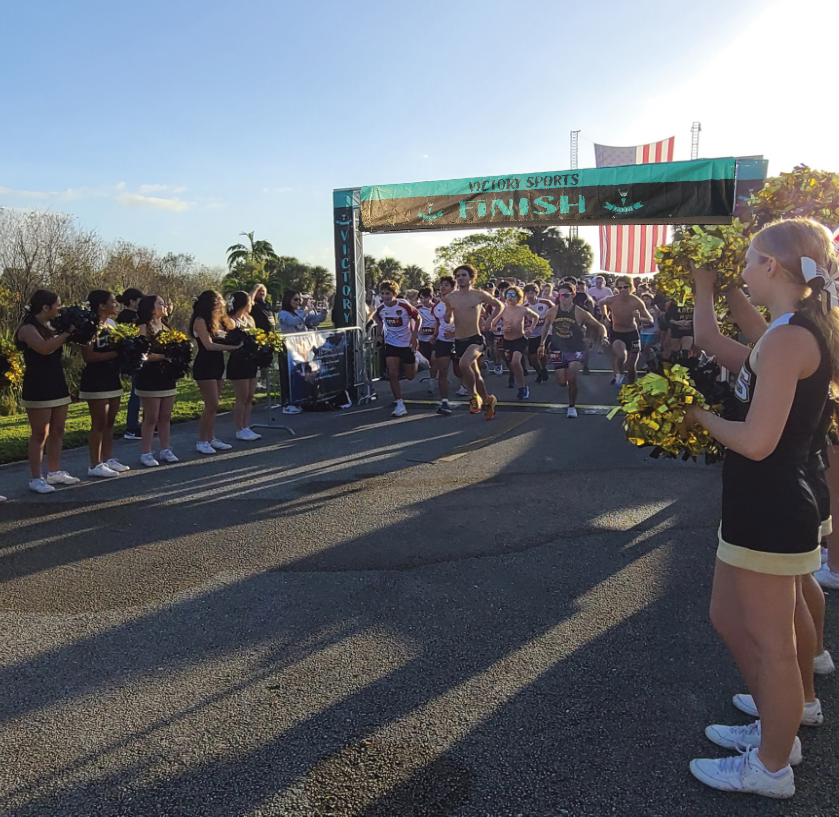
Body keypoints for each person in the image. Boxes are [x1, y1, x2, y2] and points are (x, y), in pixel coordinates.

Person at [685, 218, 838, 798]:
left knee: (774, 644)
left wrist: (691, 416)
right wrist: (707, 288)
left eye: (748, 260)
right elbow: (718, 347)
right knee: (728, 616)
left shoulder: (791, 336)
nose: (743, 269)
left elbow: (755, 441)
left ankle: (772, 766)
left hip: (773, 504)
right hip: (757, 500)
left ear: (771, 266)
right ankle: (779, 731)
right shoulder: (786, 331)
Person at [15, 289, 80, 493]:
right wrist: (66, 333)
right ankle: (36, 478)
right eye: (57, 304)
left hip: (57, 381)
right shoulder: (27, 328)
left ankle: (55, 471)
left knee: (58, 430)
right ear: (45, 307)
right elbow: (44, 348)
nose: (60, 308)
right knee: (39, 433)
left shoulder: (53, 326)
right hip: (38, 384)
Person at [79, 290, 129, 478]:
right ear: (101, 306)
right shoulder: (88, 325)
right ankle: (94, 464)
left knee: (110, 421)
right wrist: (117, 354)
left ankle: (108, 459)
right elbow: (88, 356)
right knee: (98, 422)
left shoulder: (113, 324)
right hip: (95, 378)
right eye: (113, 302)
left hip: (112, 376)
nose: (116, 305)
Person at [540, 283, 608, 418]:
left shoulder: (579, 312)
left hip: (575, 347)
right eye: (560, 295)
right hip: (557, 347)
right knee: (561, 382)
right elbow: (546, 327)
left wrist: (604, 337)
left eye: (566, 295)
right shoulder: (552, 312)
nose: (563, 298)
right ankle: (569, 388)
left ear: (573, 295)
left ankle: (572, 406)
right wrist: (541, 344)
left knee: (572, 377)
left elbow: (599, 326)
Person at [444, 265, 502, 419]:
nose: (460, 278)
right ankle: (488, 400)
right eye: (457, 276)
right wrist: (447, 318)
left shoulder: (478, 295)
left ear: (471, 278)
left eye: (463, 275)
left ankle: (473, 395)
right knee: (475, 374)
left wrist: (490, 321)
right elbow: (449, 314)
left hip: (475, 339)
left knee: (464, 364)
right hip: (459, 339)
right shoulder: (450, 297)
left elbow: (499, 305)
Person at [190, 290, 239, 455]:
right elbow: (209, 345)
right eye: (219, 299)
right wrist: (231, 348)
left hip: (218, 365)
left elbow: (232, 329)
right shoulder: (200, 320)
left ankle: (211, 438)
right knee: (212, 404)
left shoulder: (218, 321)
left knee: (215, 405)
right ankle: (202, 440)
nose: (223, 301)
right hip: (205, 365)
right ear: (210, 302)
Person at [136, 295, 180, 467]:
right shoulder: (143, 327)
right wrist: (162, 356)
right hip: (149, 376)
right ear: (150, 308)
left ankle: (165, 449)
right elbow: (141, 354)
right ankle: (146, 452)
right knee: (151, 417)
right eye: (160, 304)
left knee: (165, 415)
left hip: (166, 375)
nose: (164, 306)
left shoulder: (166, 326)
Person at [374, 280, 420, 418]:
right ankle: (399, 404)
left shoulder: (404, 305)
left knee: (410, 376)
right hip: (391, 343)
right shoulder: (381, 308)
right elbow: (378, 319)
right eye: (382, 293)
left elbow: (418, 318)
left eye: (388, 293)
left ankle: (417, 359)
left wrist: (414, 336)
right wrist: (378, 335)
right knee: (392, 373)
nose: (385, 296)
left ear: (395, 294)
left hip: (406, 343)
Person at [600, 276, 653, 385]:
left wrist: (639, 318)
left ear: (631, 287)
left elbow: (650, 320)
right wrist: (605, 316)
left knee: (631, 366)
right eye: (620, 287)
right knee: (621, 356)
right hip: (617, 333)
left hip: (632, 334)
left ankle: (631, 388)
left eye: (626, 287)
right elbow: (601, 303)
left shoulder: (636, 302)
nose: (623, 290)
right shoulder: (612, 299)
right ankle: (620, 373)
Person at [226, 291, 262, 441]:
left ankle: (246, 426)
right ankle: (239, 429)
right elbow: (229, 342)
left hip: (251, 360)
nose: (252, 304)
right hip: (238, 361)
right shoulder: (230, 321)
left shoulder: (250, 319)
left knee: (249, 396)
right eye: (249, 302)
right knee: (242, 396)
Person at [492, 286, 538, 400]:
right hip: (507, 341)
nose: (510, 298)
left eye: (513, 295)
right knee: (512, 364)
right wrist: (501, 329)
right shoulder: (502, 310)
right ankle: (520, 382)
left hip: (520, 339)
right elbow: (491, 326)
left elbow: (535, 317)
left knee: (516, 361)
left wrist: (531, 328)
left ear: (518, 297)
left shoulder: (523, 310)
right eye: (508, 295)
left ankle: (522, 387)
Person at [116, 288, 144, 440]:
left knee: (141, 392)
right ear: (133, 302)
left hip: (133, 358)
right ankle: (132, 427)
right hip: (133, 359)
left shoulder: (125, 316)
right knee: (137, 392)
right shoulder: (129, 317)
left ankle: (143, 424)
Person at [432, 275, 456, 415]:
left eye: (446, 285)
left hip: (459, 340)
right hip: (443, 341)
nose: (443, 287)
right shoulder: (437, 306)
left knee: (461, 370)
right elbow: (438, 322)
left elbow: (472, 322)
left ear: (453, 288)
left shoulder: (460, 303)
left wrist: (455, 334)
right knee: (443, 371)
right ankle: (444, 402)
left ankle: (470, 392)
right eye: (441, 285)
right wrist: (435, 336)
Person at [524, 285, 552, 383]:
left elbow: (555, 312)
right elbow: (522, 321)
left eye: (532, 293)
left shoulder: (546, 303)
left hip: (546, 331)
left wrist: (548, 320)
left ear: (537, 293)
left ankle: (544, 368)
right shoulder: (525, 307)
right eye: (527, 293)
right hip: (533, 334)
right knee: (532, 358)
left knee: (543, 352)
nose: (529, 295)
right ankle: (539, 371)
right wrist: (527, 325)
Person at [416, 287, 437, 387]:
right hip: (421, 340)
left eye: (425, 298)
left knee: (434, 360)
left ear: (431, 297)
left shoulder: (437, 308)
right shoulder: (417, 309)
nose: (423, 300)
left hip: (434, 340)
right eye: (421, 298)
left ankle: (432, 380)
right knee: (426, 362)